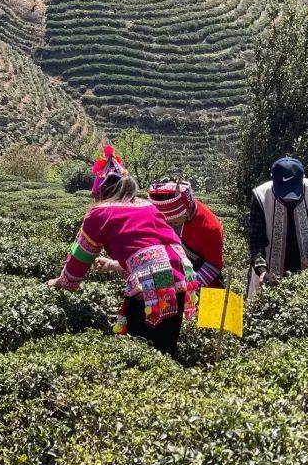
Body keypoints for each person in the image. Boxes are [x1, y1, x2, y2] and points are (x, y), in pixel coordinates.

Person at [47, 146, 199, 358]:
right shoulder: (146, 205)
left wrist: (62, 282)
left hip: (154, 280)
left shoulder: (99, 213)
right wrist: (113, 265)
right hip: (180, 273)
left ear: (100, 192)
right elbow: (150, 249)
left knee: (141, 349)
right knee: (166, 347)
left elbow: (80, 256)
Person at [247, 157, 308, 295]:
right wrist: (262, 271)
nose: (288, 198)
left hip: (307, 271)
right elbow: (256, 240)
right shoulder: (261, 196)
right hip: (269, 273)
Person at [147, 178, 224, 288]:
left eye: (173, 221)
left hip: (201, 283)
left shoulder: (210, 226)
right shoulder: (159, 219)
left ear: (187, 212)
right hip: (167, 277)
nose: (168, 223)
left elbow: (212, 266)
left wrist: (188, 287)